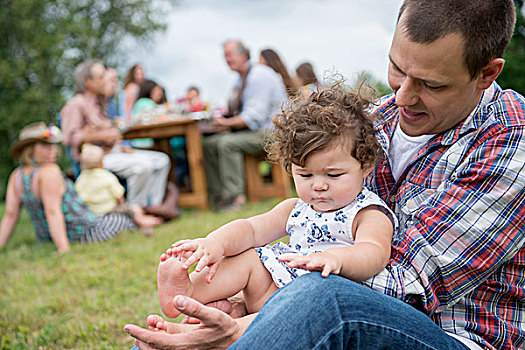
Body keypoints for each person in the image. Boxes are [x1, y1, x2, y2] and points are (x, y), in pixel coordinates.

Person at [124, 0, 525, 349]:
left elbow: (411, 285)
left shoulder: (511, 140)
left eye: (431, 84)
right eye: (397, 68)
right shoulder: (368, 123)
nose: (402, 95)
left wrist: (254, 323)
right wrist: (241, 299)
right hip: (316, 303)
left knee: (323, 299)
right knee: (221, 309)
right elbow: (279, 220)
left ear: (487, 74)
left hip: (449, 334)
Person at [157, 85, 396, 319]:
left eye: (333, 175)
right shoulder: (295, 208)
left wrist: (335, 259)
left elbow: (374, 253)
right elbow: (250, 229)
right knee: (246, 258)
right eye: (305, 175)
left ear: (365, 166)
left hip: (326, 301)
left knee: (267, 316)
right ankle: (188, 293)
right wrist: (215, 243)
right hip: (276, 289)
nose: (318, 185)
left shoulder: (367, 213)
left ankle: (235, 319)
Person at [0, 122, 136, 254]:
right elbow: (52, 211)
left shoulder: (17, 176)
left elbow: (10, 215)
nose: (51, 150)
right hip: (82, 232)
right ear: (29, 150)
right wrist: (63, 248)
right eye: (44, 145)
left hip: (46, 238)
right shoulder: (49, 172)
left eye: (52, 145)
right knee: (125, 219)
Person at [60, 59, 171, 210]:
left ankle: (153, 207)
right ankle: (135, 210)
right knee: (142, 167)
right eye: (101, 77)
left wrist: (118, 143)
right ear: (88, 82)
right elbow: (68, 138)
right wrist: (100, 136)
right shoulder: (76, 104)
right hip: (97, 159)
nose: (105, 80)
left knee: (162, 160)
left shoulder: (100, 103)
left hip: (115, 152)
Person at [204, 40, 287, 210]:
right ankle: (220, 196)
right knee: (209, 144)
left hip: (272, 132)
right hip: (255, 131)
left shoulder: (258, 76)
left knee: (227, 144)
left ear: (243, 55)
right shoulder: (239, 79)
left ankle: (236, 197)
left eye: (230, 55)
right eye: (225, 56)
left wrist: (226, 123)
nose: (227, 59)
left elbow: (253, 117)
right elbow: (233, 109)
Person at [74, 143, 162, 234]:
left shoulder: (80, 180)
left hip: (92, 213)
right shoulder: (106, 176)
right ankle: (143, 222)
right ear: (101, 162)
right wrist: (123, 205)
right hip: (110, 210)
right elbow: (119, 196)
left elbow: (78, 197)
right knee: (133, 209)